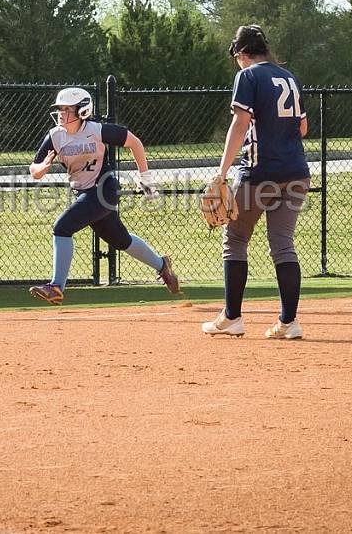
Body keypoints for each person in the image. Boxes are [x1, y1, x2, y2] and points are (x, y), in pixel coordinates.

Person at [201, 25, 310, 339]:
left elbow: (240, 123)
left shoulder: (247, 75)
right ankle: (289, 323)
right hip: (296, 172)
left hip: (260, 173)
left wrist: (222, 172)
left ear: (241, 53)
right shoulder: (290, 78)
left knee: (234, 239)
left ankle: (232, 318)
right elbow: (301, 128)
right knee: (283, 245)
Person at [28, 87, 181, 305]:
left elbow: (134, 142)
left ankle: (56, 287)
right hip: (83, 193)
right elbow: (34, 169)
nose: (61, 113)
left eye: (66, 109)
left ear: (82, 111)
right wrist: (42, 168)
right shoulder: (55, 136)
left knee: (62, 227)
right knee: (121, 240)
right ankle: (161, 265)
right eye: (59, 109)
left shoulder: (97, 130)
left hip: (104, 190)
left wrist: (145, 177)